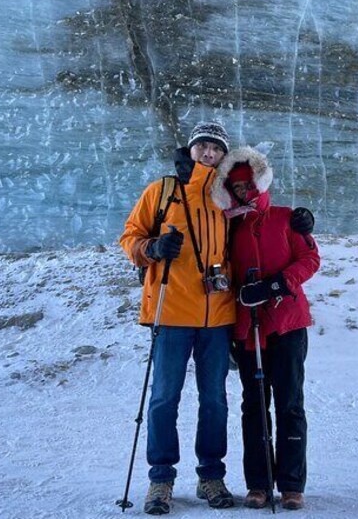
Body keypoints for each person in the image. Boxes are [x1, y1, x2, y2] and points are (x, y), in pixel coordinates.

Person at [119, 122, 237, 515]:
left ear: (224, 155)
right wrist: (152, 247)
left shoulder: (227, 197)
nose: (208, 153)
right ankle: (161, 480)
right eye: (202, 146)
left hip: (217, 315)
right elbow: (129, 238)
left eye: (215, 148)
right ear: (190, 150)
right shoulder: (163, 191)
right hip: (170, 311)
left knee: (215, 401)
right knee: (164, 398)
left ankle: (210, 475)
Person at [211, 146, 320, 511]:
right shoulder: (228, 227)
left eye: (247, 185)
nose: (242, 192)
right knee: (254, 406)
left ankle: (291, 484)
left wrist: (276, 285)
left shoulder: (286, 218)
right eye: (236, 187)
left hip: (286, 323)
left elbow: (310, 258)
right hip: (248, 328)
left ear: (260, 182)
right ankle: (259, 483)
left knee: (290, 404)